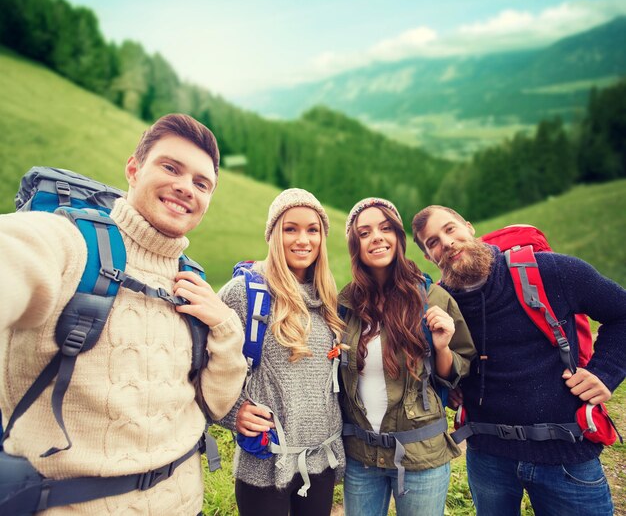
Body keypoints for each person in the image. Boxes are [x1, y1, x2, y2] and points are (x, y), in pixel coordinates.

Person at [0, 113, 248, 515]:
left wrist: (223, 325)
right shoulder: (68, 242)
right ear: (133, 169)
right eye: (171, 167)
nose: (186, 187)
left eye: (201, 183)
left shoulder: (192, 280)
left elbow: (217, 405)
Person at [412, 205, 626, 516]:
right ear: (429, 258)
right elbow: (440, 362)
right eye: (432, 242)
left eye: (450, 229)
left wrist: (605, 374)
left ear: (469, 227)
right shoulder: (440, 303)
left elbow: (621, 312)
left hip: (565, 454)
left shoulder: (550, 272)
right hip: (488, 456)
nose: (445, 243)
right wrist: (451, 387)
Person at [339, 198, 476, 516]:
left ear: (398, 238)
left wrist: (441, 347)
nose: (376, 237)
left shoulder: (433, 297)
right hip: (361, 458)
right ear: (355, 245)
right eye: (364, 232)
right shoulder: (344, 305)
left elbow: (460, 370)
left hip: (421, 456)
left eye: (385, 228)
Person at [217, 188, 346, 516]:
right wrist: (231, 414)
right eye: (291, 228)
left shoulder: (328, 300)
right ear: (274, 234)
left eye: (312, 230)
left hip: (320, 462)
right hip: (265, 464)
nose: (303, 239)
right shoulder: (245, 294)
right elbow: (201, 367)